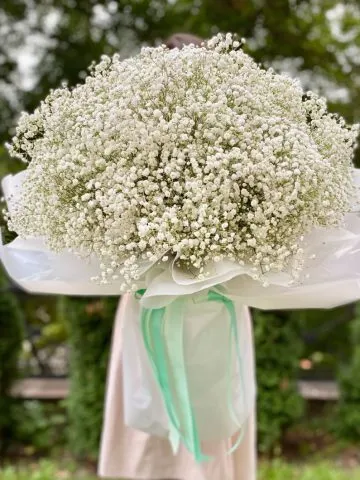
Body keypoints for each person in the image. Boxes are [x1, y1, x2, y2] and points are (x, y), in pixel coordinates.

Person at [98, 33, 257, 480]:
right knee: (150, 417)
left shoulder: (242, 141)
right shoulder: (125, 139)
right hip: (151, 307)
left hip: (216, 304)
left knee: (211, 410)